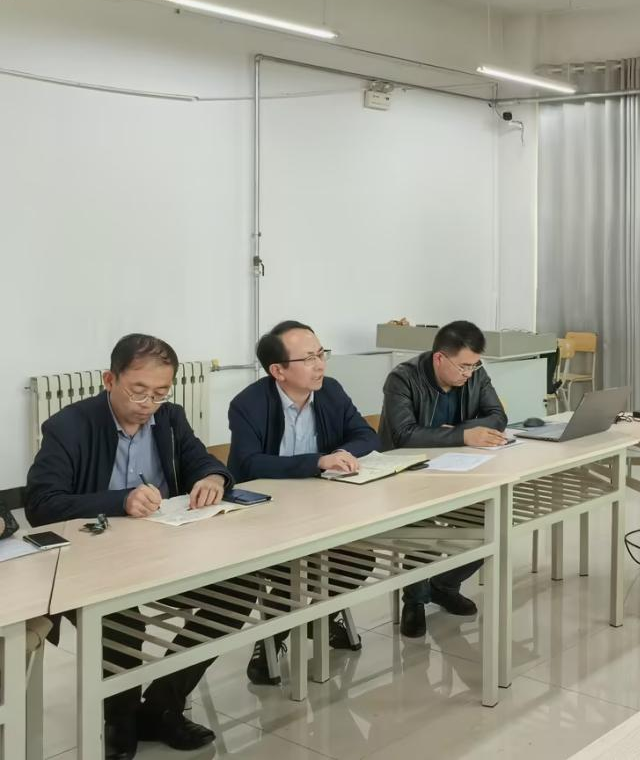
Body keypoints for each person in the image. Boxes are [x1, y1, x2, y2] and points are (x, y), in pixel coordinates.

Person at [26, 335, 239, 760]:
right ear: (110, 380)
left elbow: (202, 460)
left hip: (164, 547)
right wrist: (120, 500)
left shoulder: (170, 419)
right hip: (92, 557)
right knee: (122, 620)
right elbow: (41, 504)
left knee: (236, 592)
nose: (148, 404)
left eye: (160, 393)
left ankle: (160, 708)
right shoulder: (70, 425)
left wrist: (212, 477)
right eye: (138, 391)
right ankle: (119, 719)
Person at [228, 320, 381, 684]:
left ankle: (317, 618)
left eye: (321, 354)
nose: (320, 365)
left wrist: (342, 453)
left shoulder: (331, 392)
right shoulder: (248, 404)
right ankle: (273, 639)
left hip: (322, 505)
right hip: (265, 512)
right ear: (277, 371)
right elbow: (249, 464)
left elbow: (366, 435)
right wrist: (317, 462)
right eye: (309, 358)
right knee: (291, 568)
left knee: (361, 559)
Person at [379, 320, 508, 637]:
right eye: (464, 366)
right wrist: (463, 435)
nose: (470, 373)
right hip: (406, 475)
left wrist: (456, 433)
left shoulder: (476, 374)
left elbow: (498, 416)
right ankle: (414, 601)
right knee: (423, 526)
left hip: (458, 471)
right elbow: (404, 435)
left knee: (493, 519)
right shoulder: (403, 378)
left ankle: (444, 585)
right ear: (439, 358)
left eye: (474, 365)